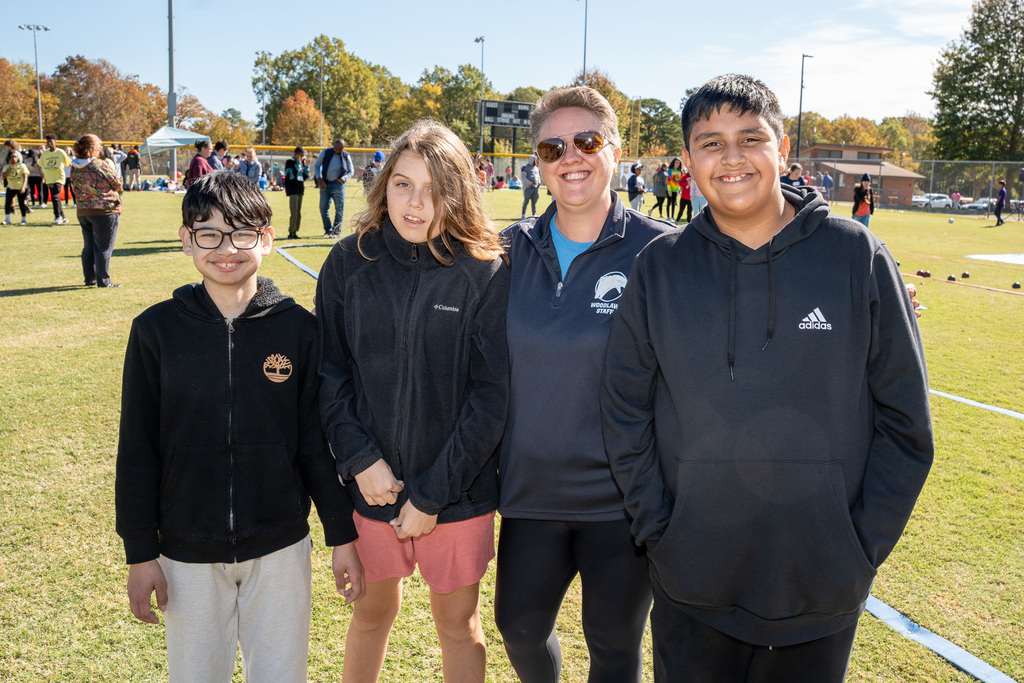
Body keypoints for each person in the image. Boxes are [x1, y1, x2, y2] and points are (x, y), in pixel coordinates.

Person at [600, 73, 933, 683]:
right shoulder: (660, 269)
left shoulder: (857, 257)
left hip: (821, 585)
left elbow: (907, 424)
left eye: (750, 137)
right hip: (692, 580)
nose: (731, 157)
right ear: (689, 162)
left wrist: (857, 548)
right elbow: (624, 411)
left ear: (781, 150)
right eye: (710, 142)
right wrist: (661, 533)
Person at [116, 171, 364, 683]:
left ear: (266, 240)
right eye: (208, 233)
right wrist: (141, 552)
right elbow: (137, 449)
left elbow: (317, 446)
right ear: (187, 240)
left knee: (280, 674)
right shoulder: (155, 331)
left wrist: (342, 534)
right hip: (185, 549)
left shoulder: (300, 329)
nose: (225, 248)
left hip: (279, 546)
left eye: (242, 232)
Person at [316, 120, 509, 683]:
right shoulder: (349, 263)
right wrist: (359, 461)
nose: (416, 203)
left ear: (459, 191)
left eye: (433, 189)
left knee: (457, 623)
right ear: (384, 187)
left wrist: (432, 495)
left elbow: (490, 398)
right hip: (371, 487)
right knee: (371, 612)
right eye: (403, 184)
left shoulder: (484, 272)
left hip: (456, 494)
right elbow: (330, 375)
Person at [496, 86, 670, 683]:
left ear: (616, 151)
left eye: (587, 141)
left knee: (614, 645)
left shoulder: (663, 250)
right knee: (518, 627)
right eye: (552, 147)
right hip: (530, 491)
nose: (570, 156)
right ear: (537, 164)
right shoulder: (506, 250)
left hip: (621, 498)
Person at [68, 134, 124, 287]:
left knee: (89, 247)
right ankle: (104, 281)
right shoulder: (99, 165)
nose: (100, 149)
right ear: (92, 148)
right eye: (99, 146)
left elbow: (73, 186)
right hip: (104, 211)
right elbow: (117, 184)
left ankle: (90, 278)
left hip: (83, 211)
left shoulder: (74, 166)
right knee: (104, 247)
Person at [313, 139, 352, 237]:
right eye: (336, 148)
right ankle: (328, 230)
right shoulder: (326, 152)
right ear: (334, 145)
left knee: (339, 208)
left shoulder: (346, 155)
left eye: (340, 149)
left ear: (343, 148)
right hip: (325, 184)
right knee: (323, 208)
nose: (337, 151)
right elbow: (316, 166)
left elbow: (351, 171)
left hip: (338, 184)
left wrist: (343, 178)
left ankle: (336, 231)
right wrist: (319, 179)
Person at [40, 135, 72, 224]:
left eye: (51, 142)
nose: (49, 144)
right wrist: (44, 177)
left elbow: (68, 163)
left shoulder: (60, 152)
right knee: (56, 197)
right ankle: (63, 216)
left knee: (55, 196)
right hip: (49, 178)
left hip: (59, 177)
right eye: (48, 142)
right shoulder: (45, 154)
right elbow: (41, 164)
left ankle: (58, 217)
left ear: (55, 142)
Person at [283, 146, 309, 239]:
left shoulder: (302, 163)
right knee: (294, 212)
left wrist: (306, 167)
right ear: (296, 154)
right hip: (293, 190)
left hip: (300, 190)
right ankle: (291, 231)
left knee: (298, 212)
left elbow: (305, 177)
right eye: (301, 156)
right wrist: (298, 163)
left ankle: (295, 231)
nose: (302, 158)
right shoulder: (289, 162)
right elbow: (291, 176)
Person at [2, 150, 30, 225]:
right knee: (7, 203)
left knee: (21, 203)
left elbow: (25, 177)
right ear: (9, 158)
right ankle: (7, 219)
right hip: (10, 187)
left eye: (15, 157)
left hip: (20, 187)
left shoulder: (22, 165)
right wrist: (9, 169)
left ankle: (23, 219)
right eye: (12, 157)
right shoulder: (7, 166)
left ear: (18, 158)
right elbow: (4, 176)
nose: (14, 158)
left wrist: (23, 187)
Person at [521, 154, 541, 219]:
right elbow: (523, 177)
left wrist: (539, 183)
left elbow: (538, 176)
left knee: (534, 202)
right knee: (526, 201)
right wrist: (530, 183)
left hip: (535, 188)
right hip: (528, 188)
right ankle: (523, 214)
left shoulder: (536, 168)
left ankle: (534, 214)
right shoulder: (525, 167)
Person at [665, 158, 683, 223]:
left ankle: (672, 216)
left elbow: (680, 181)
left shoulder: (680, 171)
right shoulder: (670, 171)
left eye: (678, 163)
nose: (677, 164)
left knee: (673, 203)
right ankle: (668, 217)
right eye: (676, 162)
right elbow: (668, 181)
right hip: (669, 189)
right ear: (673, 163)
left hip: (676, 190)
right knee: (668, 203)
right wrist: (669, 191)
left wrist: (680, 190)